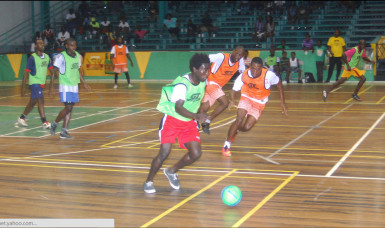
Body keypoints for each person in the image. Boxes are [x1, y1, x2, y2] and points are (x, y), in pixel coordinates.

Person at [143, 53, 211, 193]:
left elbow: (198, 101)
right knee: (164, 153)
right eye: (203, 70)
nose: (206, 73)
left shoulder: (204, 81)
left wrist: (201, 117)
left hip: (188, 121)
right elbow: (178, 108)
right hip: (172, 120)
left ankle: (172, 171)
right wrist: (197, 116)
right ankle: (148, 181)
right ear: (195, 69)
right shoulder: (182, 85)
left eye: (208, 69)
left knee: (196, 153)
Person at [222, 57, 288, 157]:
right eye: (253, 68)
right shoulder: (244, 75)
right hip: (246, 97)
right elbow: (234, 89)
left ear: (262, 68)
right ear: (250, 67)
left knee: (247, 127)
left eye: (258, 69)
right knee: (239, 119)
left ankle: (236, 130)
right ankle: (226, 145)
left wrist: (283, 103)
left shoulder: (268, 75)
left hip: (259, 103)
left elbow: (279, 83)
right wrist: (232, 100)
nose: (255, 71)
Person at [198, 46, 246, 135]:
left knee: (203, 109)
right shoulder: (222, 57)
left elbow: (243, 74)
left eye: (241, 56)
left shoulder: (240, 61)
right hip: (211, 82)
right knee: (225, 103)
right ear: (233, 51)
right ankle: (207, 121)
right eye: (238, 54)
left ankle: (192, 124)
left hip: (217, 86)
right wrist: (203, 71)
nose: (238, 57)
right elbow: (205, 58)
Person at [50, 38, 91, 139]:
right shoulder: (61, 56)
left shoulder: (77, 55)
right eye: (71, 45)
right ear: (67, 46)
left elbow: (77, 70)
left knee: (70, 109)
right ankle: (54, 124)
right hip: (65, 85)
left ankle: (64, 132)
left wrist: (84, 82)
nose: (74, 47)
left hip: (74, 85)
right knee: (68, 108)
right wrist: (51, 87)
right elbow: (53, 71)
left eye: (75, 45)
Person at [18, 38, 54, 129]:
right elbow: (26, 73)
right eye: (40, 43)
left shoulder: (46, 57)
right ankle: (44, 121)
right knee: (41, 99)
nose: (43, 45)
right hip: (34, 82)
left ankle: (22, 117)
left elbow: (52, 71)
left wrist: (51, 87)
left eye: (43, 43)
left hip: (41, 83)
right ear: (36, 46)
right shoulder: (32, 58)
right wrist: (23, 87)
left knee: (33, 102)